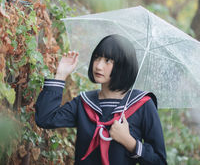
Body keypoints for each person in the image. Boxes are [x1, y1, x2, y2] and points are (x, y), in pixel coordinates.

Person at [35, 34, 167, 165]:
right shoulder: (85, 102)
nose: (98, 66)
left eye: (108, 61)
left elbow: (159, 161)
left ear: (123, 65)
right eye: (97, 58)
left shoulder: (142, 104)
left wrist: (129, 142)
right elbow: (45, 119)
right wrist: (61, 74)